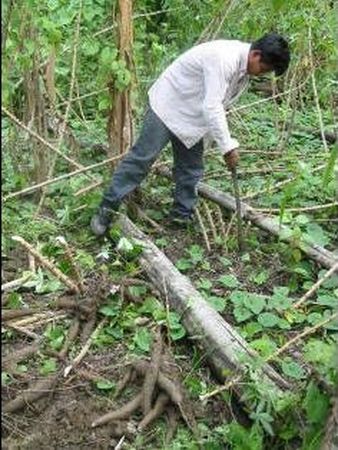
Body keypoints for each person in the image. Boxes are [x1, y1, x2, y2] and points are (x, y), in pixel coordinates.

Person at [91, 32, 290, 236]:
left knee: (191, 168)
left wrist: (216, 139)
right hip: (168, 106)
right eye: (264, 69)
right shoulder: (223, 58)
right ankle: (106, 209)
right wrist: (227, 147)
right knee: (142, 158)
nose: (261, 74)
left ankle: (180, 216)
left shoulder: (244, 71)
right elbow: (212, 106)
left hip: (194, 115)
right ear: (256, 54)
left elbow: (220, 105)